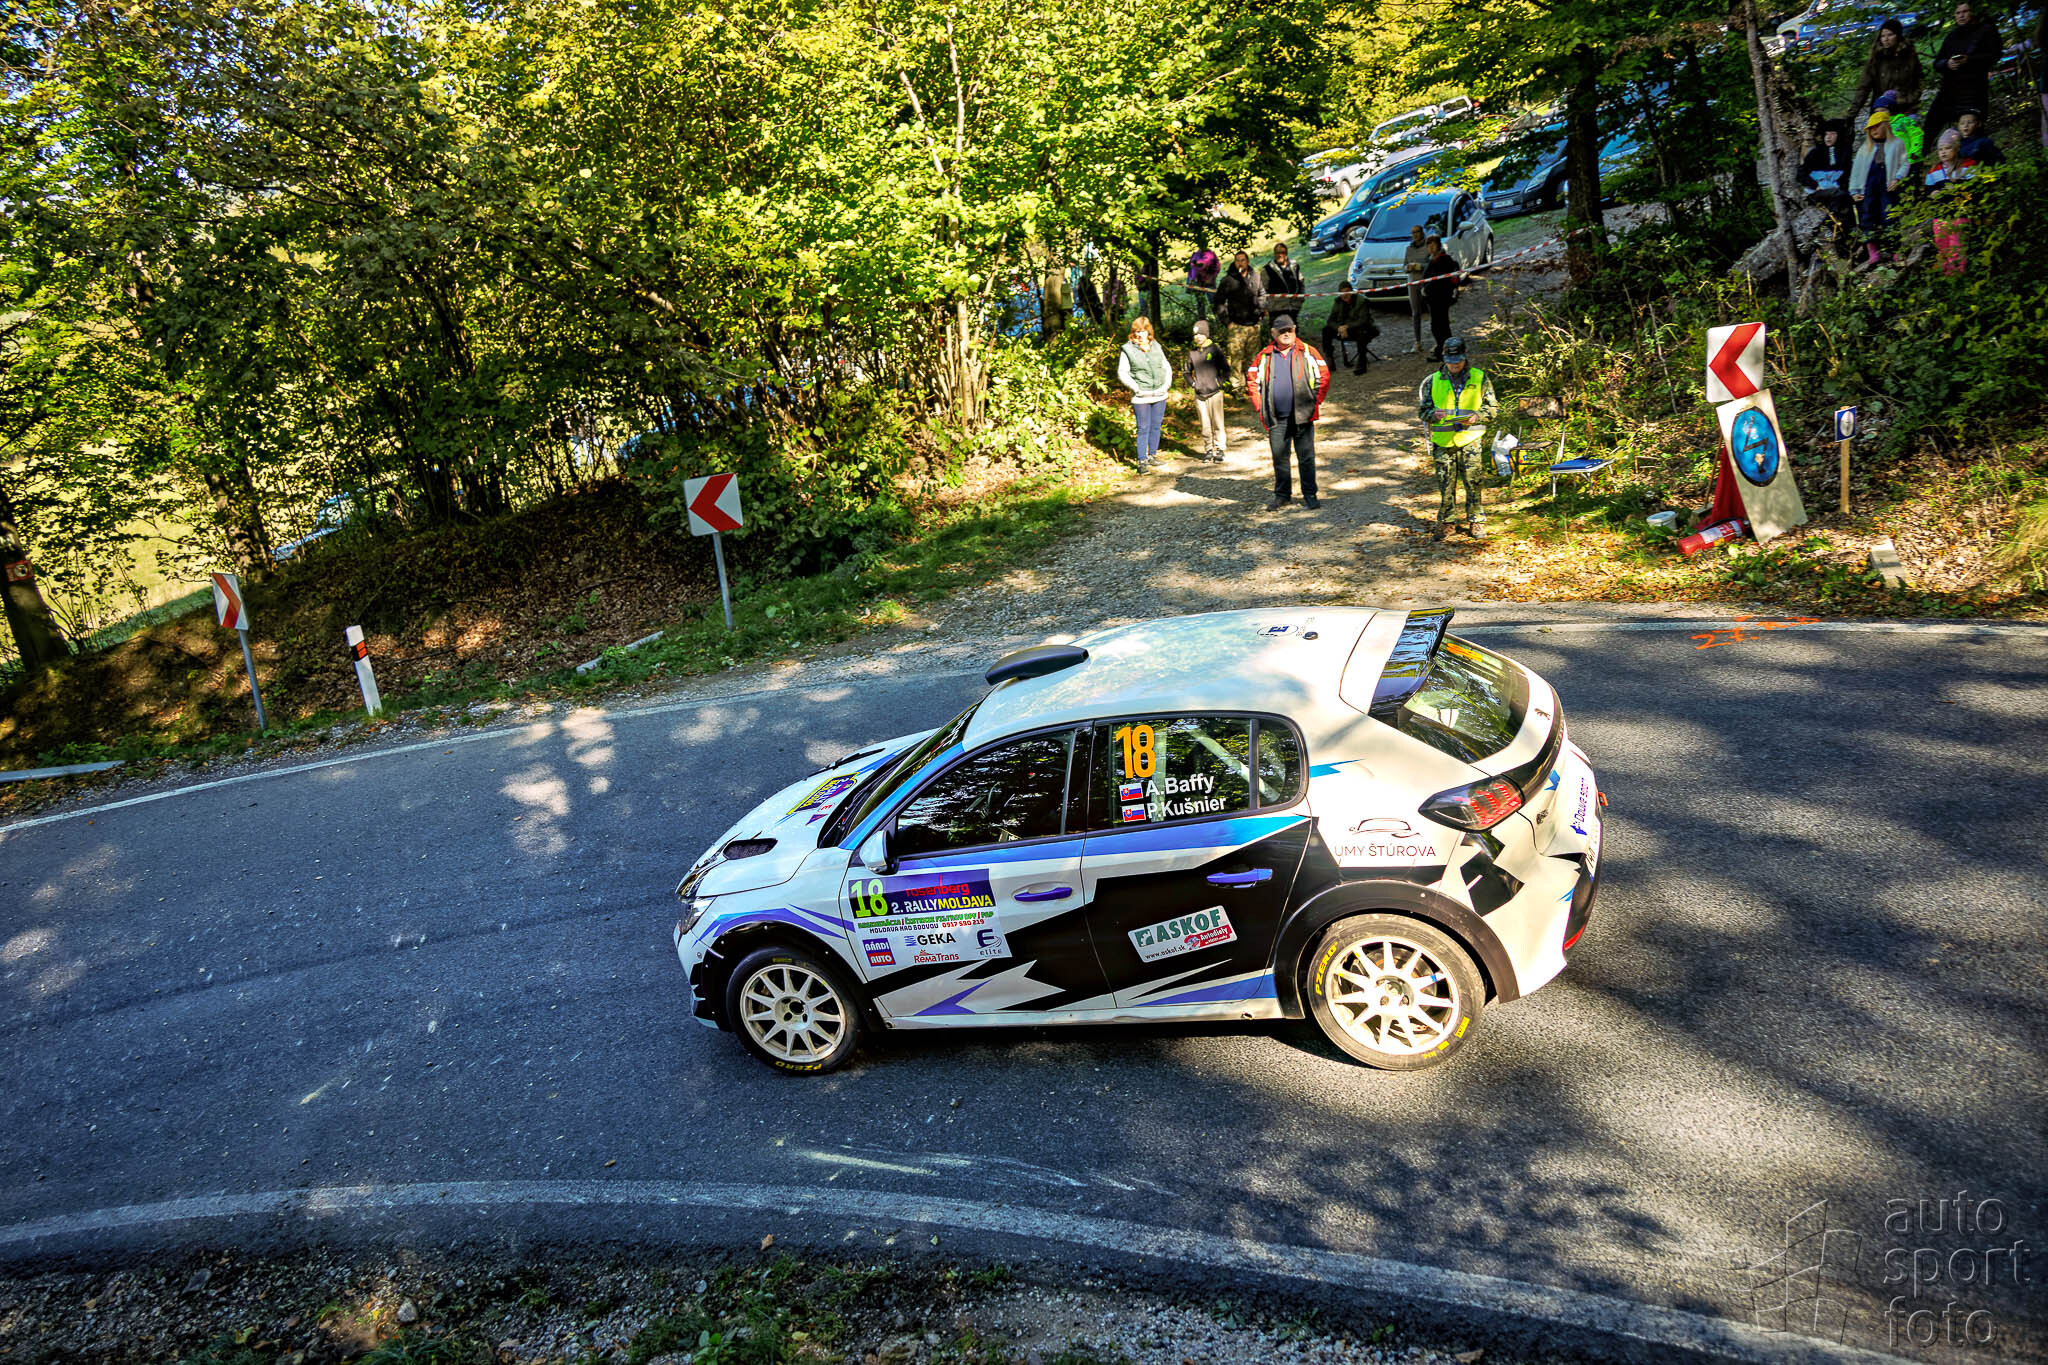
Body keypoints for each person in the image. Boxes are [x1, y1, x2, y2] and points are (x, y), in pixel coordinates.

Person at [1415, 336, 1499, 541]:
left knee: (1473, 482)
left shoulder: (1479, 377)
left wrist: (1477, 416)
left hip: (1470, 438)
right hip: (1443, 441)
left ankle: (1476, 521)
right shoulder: (1433, 380)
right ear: (1444, 358)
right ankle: (1447, 522)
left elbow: (1493, 408)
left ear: (1464, 357)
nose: (1454, 365)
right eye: (1450, 361)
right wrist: (1433, 414)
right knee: (1445, 484)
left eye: (1458, 361)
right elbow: (1423, 411)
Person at [1245, 315, 1331, 511]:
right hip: (1276, 417)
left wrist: (1314, 402)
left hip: (1303, 415)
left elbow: (1324, 377)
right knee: (1279, 458)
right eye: (1282, 331)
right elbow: (1252, 381)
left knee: (1306, 457)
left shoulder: (1308, 351)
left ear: (1294, 330)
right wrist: (1260, 407)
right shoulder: (1264, 355)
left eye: (1289, 330)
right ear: (1273, 333)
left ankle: (1310, 495)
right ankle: (1282, 496)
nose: (1286, 334)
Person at [1922, 1, 2003, 138]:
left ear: (1972, 13)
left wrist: (1970, 60)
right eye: (1958, 13)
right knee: (1930, 127)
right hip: (1949, 90)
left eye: (1965, 11)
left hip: (1973, 91)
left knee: (1972, 132)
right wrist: (1947, 64)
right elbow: (1937, 63)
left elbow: (1994, 55)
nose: (1961, 15)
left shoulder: (1985, 31)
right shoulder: (1952, 37)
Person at [1850, 110, 1909, 266]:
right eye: (1871, 128)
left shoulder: (1898, 144)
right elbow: (1856, 170)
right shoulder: (1865, 148)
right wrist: (1854, 190)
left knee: (1889, 215)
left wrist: (1898, 178)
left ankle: (1895, 249)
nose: (1874, 130)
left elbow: (1905, 163)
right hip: (1868, 185)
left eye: (1877, 126)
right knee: (1867, 215)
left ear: (1886, 126)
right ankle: (1873, 251)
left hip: (1887, 184)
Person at [1920, 128, 1979, 273]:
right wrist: (1933, 193)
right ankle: (1947, 274)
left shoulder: (1968, 165)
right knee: (1942, 245)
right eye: (1940, 149)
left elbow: (1975, 187)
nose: (1943, 152)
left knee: (1957, 246)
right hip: (1941, 216)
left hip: (1960, 214)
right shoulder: (1934, 170)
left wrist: (1960, 192)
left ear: (1957, 148)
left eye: (1947, 148)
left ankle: (1957, 274)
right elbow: (1927, 190)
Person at [1117, 316, 1172, 468]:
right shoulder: (1127, 349)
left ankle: (1152, 456)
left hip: (1160, 394)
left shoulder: (1156, 346)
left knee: (1156, 426)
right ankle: (1142, 460)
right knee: (1143, 428)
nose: (1140, 334)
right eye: (1137, 331)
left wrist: (1166, 385)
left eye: (1143, 331)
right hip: (1141, 396)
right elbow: (1123, 372)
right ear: (1133, 333)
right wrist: (1136, 388)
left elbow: (1166, 367)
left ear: (1149, 332)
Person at [1848, 19, 1925, 126]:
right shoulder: (1876, 58)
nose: (1886, 39)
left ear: (1898, 36)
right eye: (1883, 36)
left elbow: (1919, 78)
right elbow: (1864, 87)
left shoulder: (1909, 55)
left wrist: (1913, 97)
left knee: (1909, 133)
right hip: (1883, 109)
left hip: (1906, 108)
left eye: (1890, 35)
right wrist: (1852, 114)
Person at [1800, 120, 1857, 252]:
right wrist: (1814, 185)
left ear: (1838, 135)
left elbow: (1847, 173)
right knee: (1838, 196)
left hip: (1839, 191)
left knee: (1846, 201)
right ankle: (1830, 228)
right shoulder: (1815, 152)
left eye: (1832, 134)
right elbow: (1801, 173)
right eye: (1826, 134)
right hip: (1818, 191)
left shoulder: (1844, 151)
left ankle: (1844, 238)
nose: (1828, 137)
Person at [1184, 320, 1232, 463]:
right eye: (1195, 335)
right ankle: (1208, 449)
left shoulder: (1215, 350)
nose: (1198, 337)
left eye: (1200, 334)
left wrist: (1218, 383)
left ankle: (1220, 449)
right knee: (1204, 424)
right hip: (1200, 394)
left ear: (1206, 334)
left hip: (1215, 393)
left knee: (1218, 422)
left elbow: (1226, 370)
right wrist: (1194, 384)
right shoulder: (1192, 353)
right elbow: (1186, 372)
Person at [1215, 250, 1265, 388]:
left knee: (1253, 358)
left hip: (1254, 325)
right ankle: (1237, 387)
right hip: (1236, 326)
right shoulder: (1227, 280)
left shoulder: (1255, 276)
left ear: (1247, 261)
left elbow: (1262, 294)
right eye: (1238, 260)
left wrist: (1260, 311)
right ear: (1234, 262)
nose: (1240, 263)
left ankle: (1252, 386)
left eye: (1243, 260)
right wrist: (1227, 322)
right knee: (1236, 359)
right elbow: (1218, 303)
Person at [1420, 235, 1461, 362]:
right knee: (1436, 326)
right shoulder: (1431, 260)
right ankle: (1442, 350)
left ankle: (1446, 351)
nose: (1430, 247)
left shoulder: (1444, 259)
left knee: (1441, 326)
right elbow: (1427, 277)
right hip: (1432, 299)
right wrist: (1425, 289)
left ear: (1438, 245)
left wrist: (1427, 288)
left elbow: (1440, 280)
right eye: (1428, 245)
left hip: (1441, 297)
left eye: (1432, 244)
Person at [1321, 280, 1376, 375]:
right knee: (1326, 330)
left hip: (1361, 328)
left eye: (1347, 291)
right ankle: (1329, 360)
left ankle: (1362, 362)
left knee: (1362, 331)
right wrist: (1339, 328)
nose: (1345, 295)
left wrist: (1347, 327)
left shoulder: (1361, 301)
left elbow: (1363, 320)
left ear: (1351, 291)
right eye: (1342, 292)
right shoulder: (1338, 301)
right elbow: (1330, 320)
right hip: (1342, 329)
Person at [1402, 225, 1433, 354]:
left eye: (1417, 232)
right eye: (1413, 233)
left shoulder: (1428, 246)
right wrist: (1407, 267)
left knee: (1432, 311)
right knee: (1415, 313)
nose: (1415, 235)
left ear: (1422, 232)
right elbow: (1403, 266)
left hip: (1426, 282)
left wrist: (1420, 266)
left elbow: (1432, 264)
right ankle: (1417, 342)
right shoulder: (1408, 249)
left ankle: (1437, 341)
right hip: (1412, 283)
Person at [1260, 243, 1305, 325]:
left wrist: (1300, 299)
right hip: (1276, 309)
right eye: (1277, 253)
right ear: (1274, 254)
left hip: (1293, 307)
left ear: (1286, 254)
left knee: (1294, 329)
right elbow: (1262, 290)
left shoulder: (1294, 266)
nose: (1280, 255)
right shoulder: (1267, 269)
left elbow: (1301, 282)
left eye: (1283, 252)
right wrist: (1264, 308)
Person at [1186, 248, 1220, 321]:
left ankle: (1219, 319)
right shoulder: (1195, 256)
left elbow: (1217, 268)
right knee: (1200, 302)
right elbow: (1191, 270)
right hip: (1198, 282)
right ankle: (1202, 320)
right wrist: (1193, 279)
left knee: (1213, 301)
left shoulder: (1210, 256)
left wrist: (1211, 278)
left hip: (1209, 282)